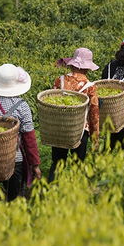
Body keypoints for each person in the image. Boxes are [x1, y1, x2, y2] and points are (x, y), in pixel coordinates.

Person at [0, 64, 41, 210]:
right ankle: (15, 227)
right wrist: (35, 164)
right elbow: (29, 138)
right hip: (12, 159)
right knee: (15, 199)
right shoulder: (21, 106)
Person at [48, 48, 99, 182]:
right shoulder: (90, 86)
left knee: (58, 163)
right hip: (80, 131)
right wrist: (95, 138)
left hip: (60, 128)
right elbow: (94, 113)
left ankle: (49, 193)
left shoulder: (60, 80)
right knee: (78, 164)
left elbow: (52, 103)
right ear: (87, 68)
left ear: (72, 64)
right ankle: (76, 194)